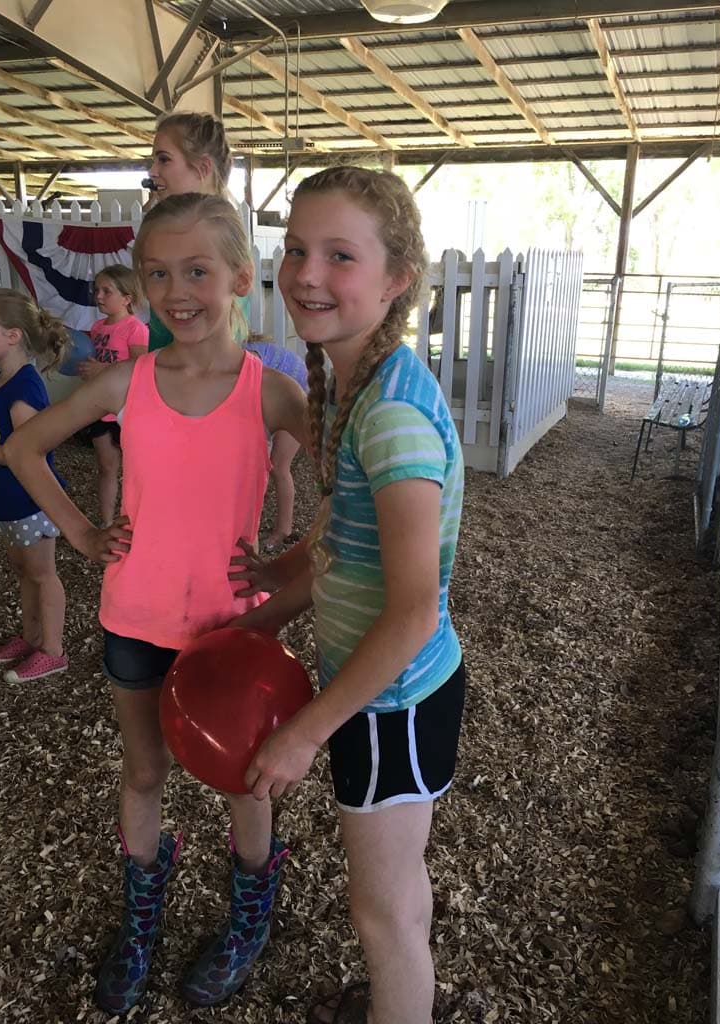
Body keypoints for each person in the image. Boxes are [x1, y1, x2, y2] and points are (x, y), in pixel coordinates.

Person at [4, 193, 309, 1014]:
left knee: (245, 781)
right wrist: (79, 534)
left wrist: (287, 575)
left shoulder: (270, 392)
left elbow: (361, 500)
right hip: (135, 617)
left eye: (199, 271)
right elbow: (25, 448)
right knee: (144, 771)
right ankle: (142, 919)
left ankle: (250, 914)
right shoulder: (125, 379)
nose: (179, 290)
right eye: (160, 272)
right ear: (141, 282)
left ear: (242, 278)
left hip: (231, 630)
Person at [228, 167, 466, 1024]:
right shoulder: (347, 384)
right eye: (296, 250)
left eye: (340, 256)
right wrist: (282, 588)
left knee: (384, 909)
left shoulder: (390, 414)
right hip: (379, 693)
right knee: (398, 891)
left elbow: (413, 612)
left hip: (389, 702)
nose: (306, 274)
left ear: (397, 278)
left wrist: (304, 730)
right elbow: (343, 540)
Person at [0, 288, 69, 682]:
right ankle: (30, 638)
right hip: (7, 500)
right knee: (22, 569)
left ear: (13, 335)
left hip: (32, 500)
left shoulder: (25, 387)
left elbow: (26, 454)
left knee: (42, 573)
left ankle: (53, 650)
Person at [144, 110, 243, 352]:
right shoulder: (170, 230)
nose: (153, 171)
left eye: (164, 160)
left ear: (202, 167)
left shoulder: (214, 232)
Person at [78, 265, 148, 526]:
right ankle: (107, 524)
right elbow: (94, 364)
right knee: (106, 468)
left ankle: (137, 520)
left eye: (107, 291)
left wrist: (102, 370)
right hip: (99, 408)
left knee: (135, 472)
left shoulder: (135, 328)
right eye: (97, 290)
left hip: (126, 409)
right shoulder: (97, 327)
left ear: (127, 298)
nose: (98, 296)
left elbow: (141, 369)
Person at [244, 339, 307, 551]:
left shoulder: (248, 363)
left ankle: (283, 530)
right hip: (282, 394)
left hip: (300, 396)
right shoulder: (239, 360)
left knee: (278, 466)